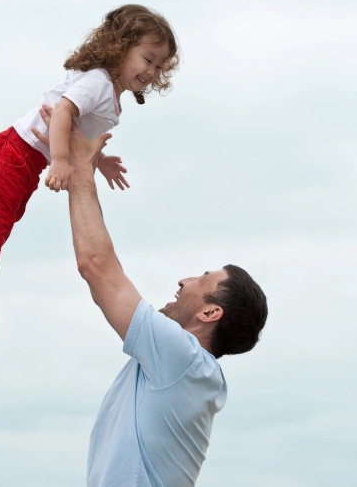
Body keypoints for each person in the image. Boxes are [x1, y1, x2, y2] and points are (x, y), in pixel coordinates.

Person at [33, 106, 269, 486]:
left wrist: (77, 169)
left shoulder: (183, 359)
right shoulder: (186, 370)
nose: (184, 280)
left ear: (210, 313)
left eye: (202, 278)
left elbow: (96, 265)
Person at [0, 4, 180, 344]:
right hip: (17, 152)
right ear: (121, 48)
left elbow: (77, 128)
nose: (151, 71)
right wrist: (60, 161)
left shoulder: (108, 91)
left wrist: (100, 160)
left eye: (159, 66)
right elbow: (62, 112)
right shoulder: (98, 83)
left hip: (24, 159)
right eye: (148, 59)